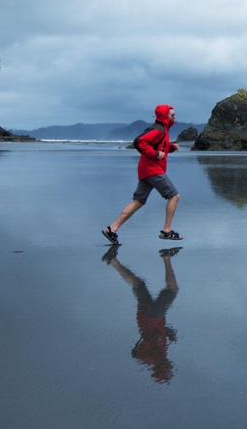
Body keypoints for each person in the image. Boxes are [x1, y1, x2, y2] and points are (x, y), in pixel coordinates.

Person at [102, 104, 182, 244]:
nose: (175, 117)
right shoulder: (159, 130)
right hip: (153, 170)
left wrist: (170, 147)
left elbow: (158, 145)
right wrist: (156, 154)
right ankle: (167, 230)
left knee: (138, 201)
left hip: (146, 170)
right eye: (172, 115)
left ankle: (112, 229)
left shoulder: (162, 129)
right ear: (165, 116)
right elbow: (139, 142)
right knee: (174, 196)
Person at [102, 245, 182, 384]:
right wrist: (167, 332)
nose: (170, 367)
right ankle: (112, 261)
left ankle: (166, 257)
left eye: (167, 370)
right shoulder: (161, 355)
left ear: (161, 369)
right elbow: (153, 337)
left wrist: (151, 345)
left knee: (172, 290)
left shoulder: (152, 358)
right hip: (146, 316)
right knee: (139, 285)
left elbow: (136, 352)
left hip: (153, 316)